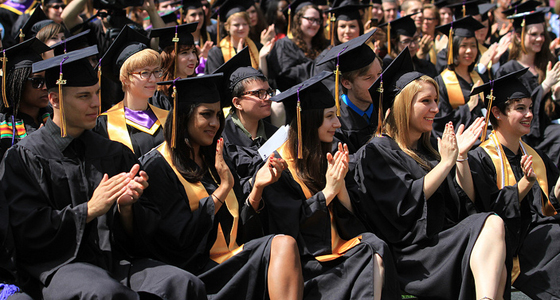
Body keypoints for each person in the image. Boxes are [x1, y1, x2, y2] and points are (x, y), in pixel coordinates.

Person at [0, 46, 206, 300]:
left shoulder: (112, 152)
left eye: (97, 93)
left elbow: (146, 230)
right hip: (58, 269)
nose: (96, 103)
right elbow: (27, 231)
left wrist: (127, 208)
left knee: (183, 284)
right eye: (84, 96)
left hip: (115, 261)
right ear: (54, 100)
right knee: (105, 294)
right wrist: (88, 210)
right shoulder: (24, 157)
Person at [351, 48, 509, 300]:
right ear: (403, 105)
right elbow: (402, 209)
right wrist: (445, 164)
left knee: (492, 238)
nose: (436, 108)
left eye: (436, 100)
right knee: (490, 228)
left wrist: (460, 157)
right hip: (413, 257)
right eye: (426, 101)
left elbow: (464, 204)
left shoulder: (430, 148)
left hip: (442, 243)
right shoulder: (377, 152)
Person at [140, 74, 304, 300]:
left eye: (218, 115)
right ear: (183, 116)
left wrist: (257, 187)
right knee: (282, 245)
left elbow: (238, 227)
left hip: (230, 259)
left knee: (284, 244)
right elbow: (178, 240)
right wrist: (223, 188)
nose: (215, 123)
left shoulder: (216, 156)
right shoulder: (158, 166)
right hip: (195, 272)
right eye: (206, 115)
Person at [262, 71, 401, 300]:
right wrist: (328, 191)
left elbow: (352, 217)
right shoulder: (278, 166)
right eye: (329, 117)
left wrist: (340, 186)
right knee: (370, 254)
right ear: (307, 120)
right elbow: (288, 227)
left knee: (375, 246)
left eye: (336, 115)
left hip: (339, 248)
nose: (337, 123)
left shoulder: (327, 152)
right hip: (309, 262)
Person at [467, 68, 560, 300]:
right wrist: (524, 185)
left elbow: (546, 210)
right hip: (512, 247)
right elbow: (486, 214)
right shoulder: (480, 158)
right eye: (520, 109)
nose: (529, 114)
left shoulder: (535, 156)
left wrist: (557, 194)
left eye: (530, 108)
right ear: (496, 112)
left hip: (542, 237)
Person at [495, 10, 560, 162]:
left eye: (542, 34)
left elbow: (550, 113)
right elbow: (512, 108)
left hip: (545, 130)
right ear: (518, 36)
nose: (540, 39)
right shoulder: (508, 70)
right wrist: (545, 86)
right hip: (522, 134)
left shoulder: (546, 64)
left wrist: (556, 97)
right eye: (533, 34)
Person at [95, 26, 168, 158]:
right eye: (145, 73)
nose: (153, 79)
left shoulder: (166, 117)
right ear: (125, 78)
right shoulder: (105, 123)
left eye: (156, 71)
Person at [315, 30, 383, 154]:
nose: (378, 82)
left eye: (379, 74)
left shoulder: (385, 109)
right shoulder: (335, 123)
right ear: (346, 83)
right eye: (368, 78)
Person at [221, 65, 279, 188]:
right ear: (237, 103)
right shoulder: (222, 138)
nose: (268, 98)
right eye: (259, 93)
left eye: (268, 92)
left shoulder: (276, 135)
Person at [433, 16, 487, 139]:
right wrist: (469, 107)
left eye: (473, 45)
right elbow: (440, 122)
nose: (469, 50)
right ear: (453, 48)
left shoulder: (480, 77)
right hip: (460, 142)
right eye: (464, 45)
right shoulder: (441, 82)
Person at [0, 38, 51, 160]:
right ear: (18, 84)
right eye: (37, 81)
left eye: (47, 80)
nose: (45, 87)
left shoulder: (56, 118)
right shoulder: (3, 127)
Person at [267, 1, 329, 91]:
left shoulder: (325, 45)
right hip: (296, 97)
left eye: (317, 20)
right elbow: (285, 76)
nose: (315, 24)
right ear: (298, 20)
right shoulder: (284, 45)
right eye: (310, 19)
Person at [205, 0, 266, 74]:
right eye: (236, 25)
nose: (241, 28)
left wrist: (262, 58)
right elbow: (216, 82)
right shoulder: (216, 53)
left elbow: (266, 79)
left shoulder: (258, 48)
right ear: (227, 27)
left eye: (245, 24)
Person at [150, 22, 199, 110]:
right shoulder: (159, 94)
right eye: (184, 53)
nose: (192, 58)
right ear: (169, 57)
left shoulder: (198, 89)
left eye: (193, 51)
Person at [182, 0, 214, 75]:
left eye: (200, 14)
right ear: (184, 17)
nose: (197, 18)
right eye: (193, 15)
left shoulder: (212, 36)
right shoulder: (181, 41)